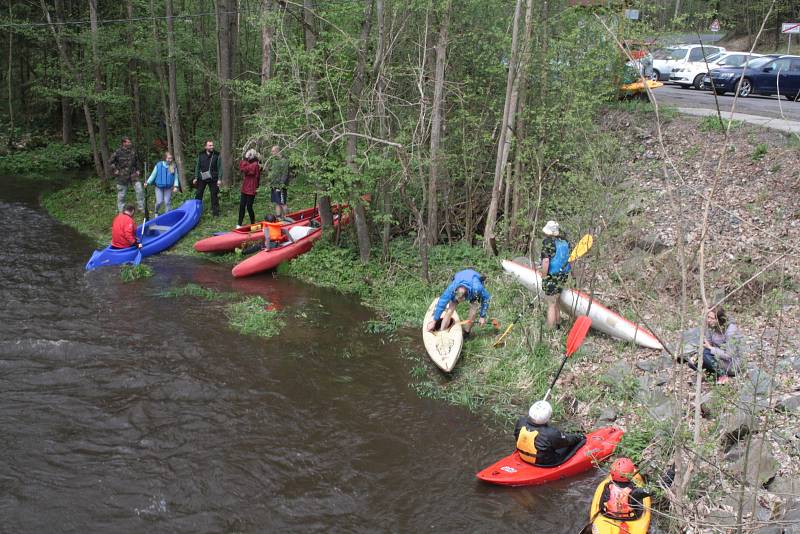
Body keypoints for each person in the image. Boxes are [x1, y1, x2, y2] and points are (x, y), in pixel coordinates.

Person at [514, 400, 584, 466]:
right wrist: (579, 437)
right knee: (571, 445)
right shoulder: (551, 433)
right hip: (545, 463)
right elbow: (568, 441)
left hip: (523, 456)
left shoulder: (521, 422)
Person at [425, 269, 490, 339]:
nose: (458, 301)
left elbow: (486, 298)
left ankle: (466, 333)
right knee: (450, 308)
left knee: (473, 310)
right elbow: (442, 302)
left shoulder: (477, 288)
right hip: (460, 276)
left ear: (465, 297)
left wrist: (482, 316)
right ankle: (442, 331)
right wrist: (434, 321)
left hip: (474, 282)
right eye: (457, 298)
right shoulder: (452, 288)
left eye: (459, 300)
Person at [687, 307, 743, 384]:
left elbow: (729, 355)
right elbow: (708, 344)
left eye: (712, 318)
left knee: (704, 355)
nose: (709, 320)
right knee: (691, 362)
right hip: (716, 358)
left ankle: (723, 376)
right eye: (708, 317)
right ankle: (712, 376)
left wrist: (710, 348)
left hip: (731, 364)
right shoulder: (711, 327)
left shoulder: (730, 330)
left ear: (719, 319)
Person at [540, 220, 571, 329]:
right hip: (563, 276)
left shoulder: (547, 242)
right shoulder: (565, 241)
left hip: (552, 276)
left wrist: (544, 275)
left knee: (551, 304)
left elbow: (546, 261)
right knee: (556, 301)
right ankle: (558, 325)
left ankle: (549, 329)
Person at [110, 137, 142, 213]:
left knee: (139, 190)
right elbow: (111, 162)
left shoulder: (133, 152)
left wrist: (138, 170)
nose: (129, 143)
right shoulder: (118, 152)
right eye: (128, 142)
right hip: (122, 176)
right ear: (123, 143)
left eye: (130, 142)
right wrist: (115, 170)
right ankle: (122, 211)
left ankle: (141, 208)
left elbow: (137, 162)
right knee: (122, 195)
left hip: (133, 174)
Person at [193, 140, 222, 216]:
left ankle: (215, 213)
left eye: (212, 145)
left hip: (213, 178)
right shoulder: (201, 155)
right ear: (205, 147)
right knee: (199, 194)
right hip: (202, 177)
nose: (212, 147)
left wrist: (219, 179)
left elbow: (220, 168)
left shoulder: (217, 155)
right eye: (210, 145)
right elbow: (197, 166)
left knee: (214, 195)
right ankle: (196, 211)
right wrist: (196, 177)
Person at [237, 149, 261, 227]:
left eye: (249, 155)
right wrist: (245, 158)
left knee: (249, 207)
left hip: (251, 188)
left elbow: (246, 169)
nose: (247, 156)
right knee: (242, 206)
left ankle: (253, 223)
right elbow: (241, 168)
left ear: (252, 155)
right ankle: (239, 224)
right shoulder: (248, 163)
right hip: (245, 187)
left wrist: (256, 187)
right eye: (247, 155)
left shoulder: (255, 164)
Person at [268, 145, 290, 219]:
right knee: (277, 203)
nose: (272, 152)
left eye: (273, 151)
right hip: (274, 185)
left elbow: (284, 175)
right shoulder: (274, 161)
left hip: (281, 186)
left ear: (277, 151)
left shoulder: (284, 161)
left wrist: (280, 186)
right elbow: (272, 173)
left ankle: (287, 218)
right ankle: (278, 218)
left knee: (282, 203)